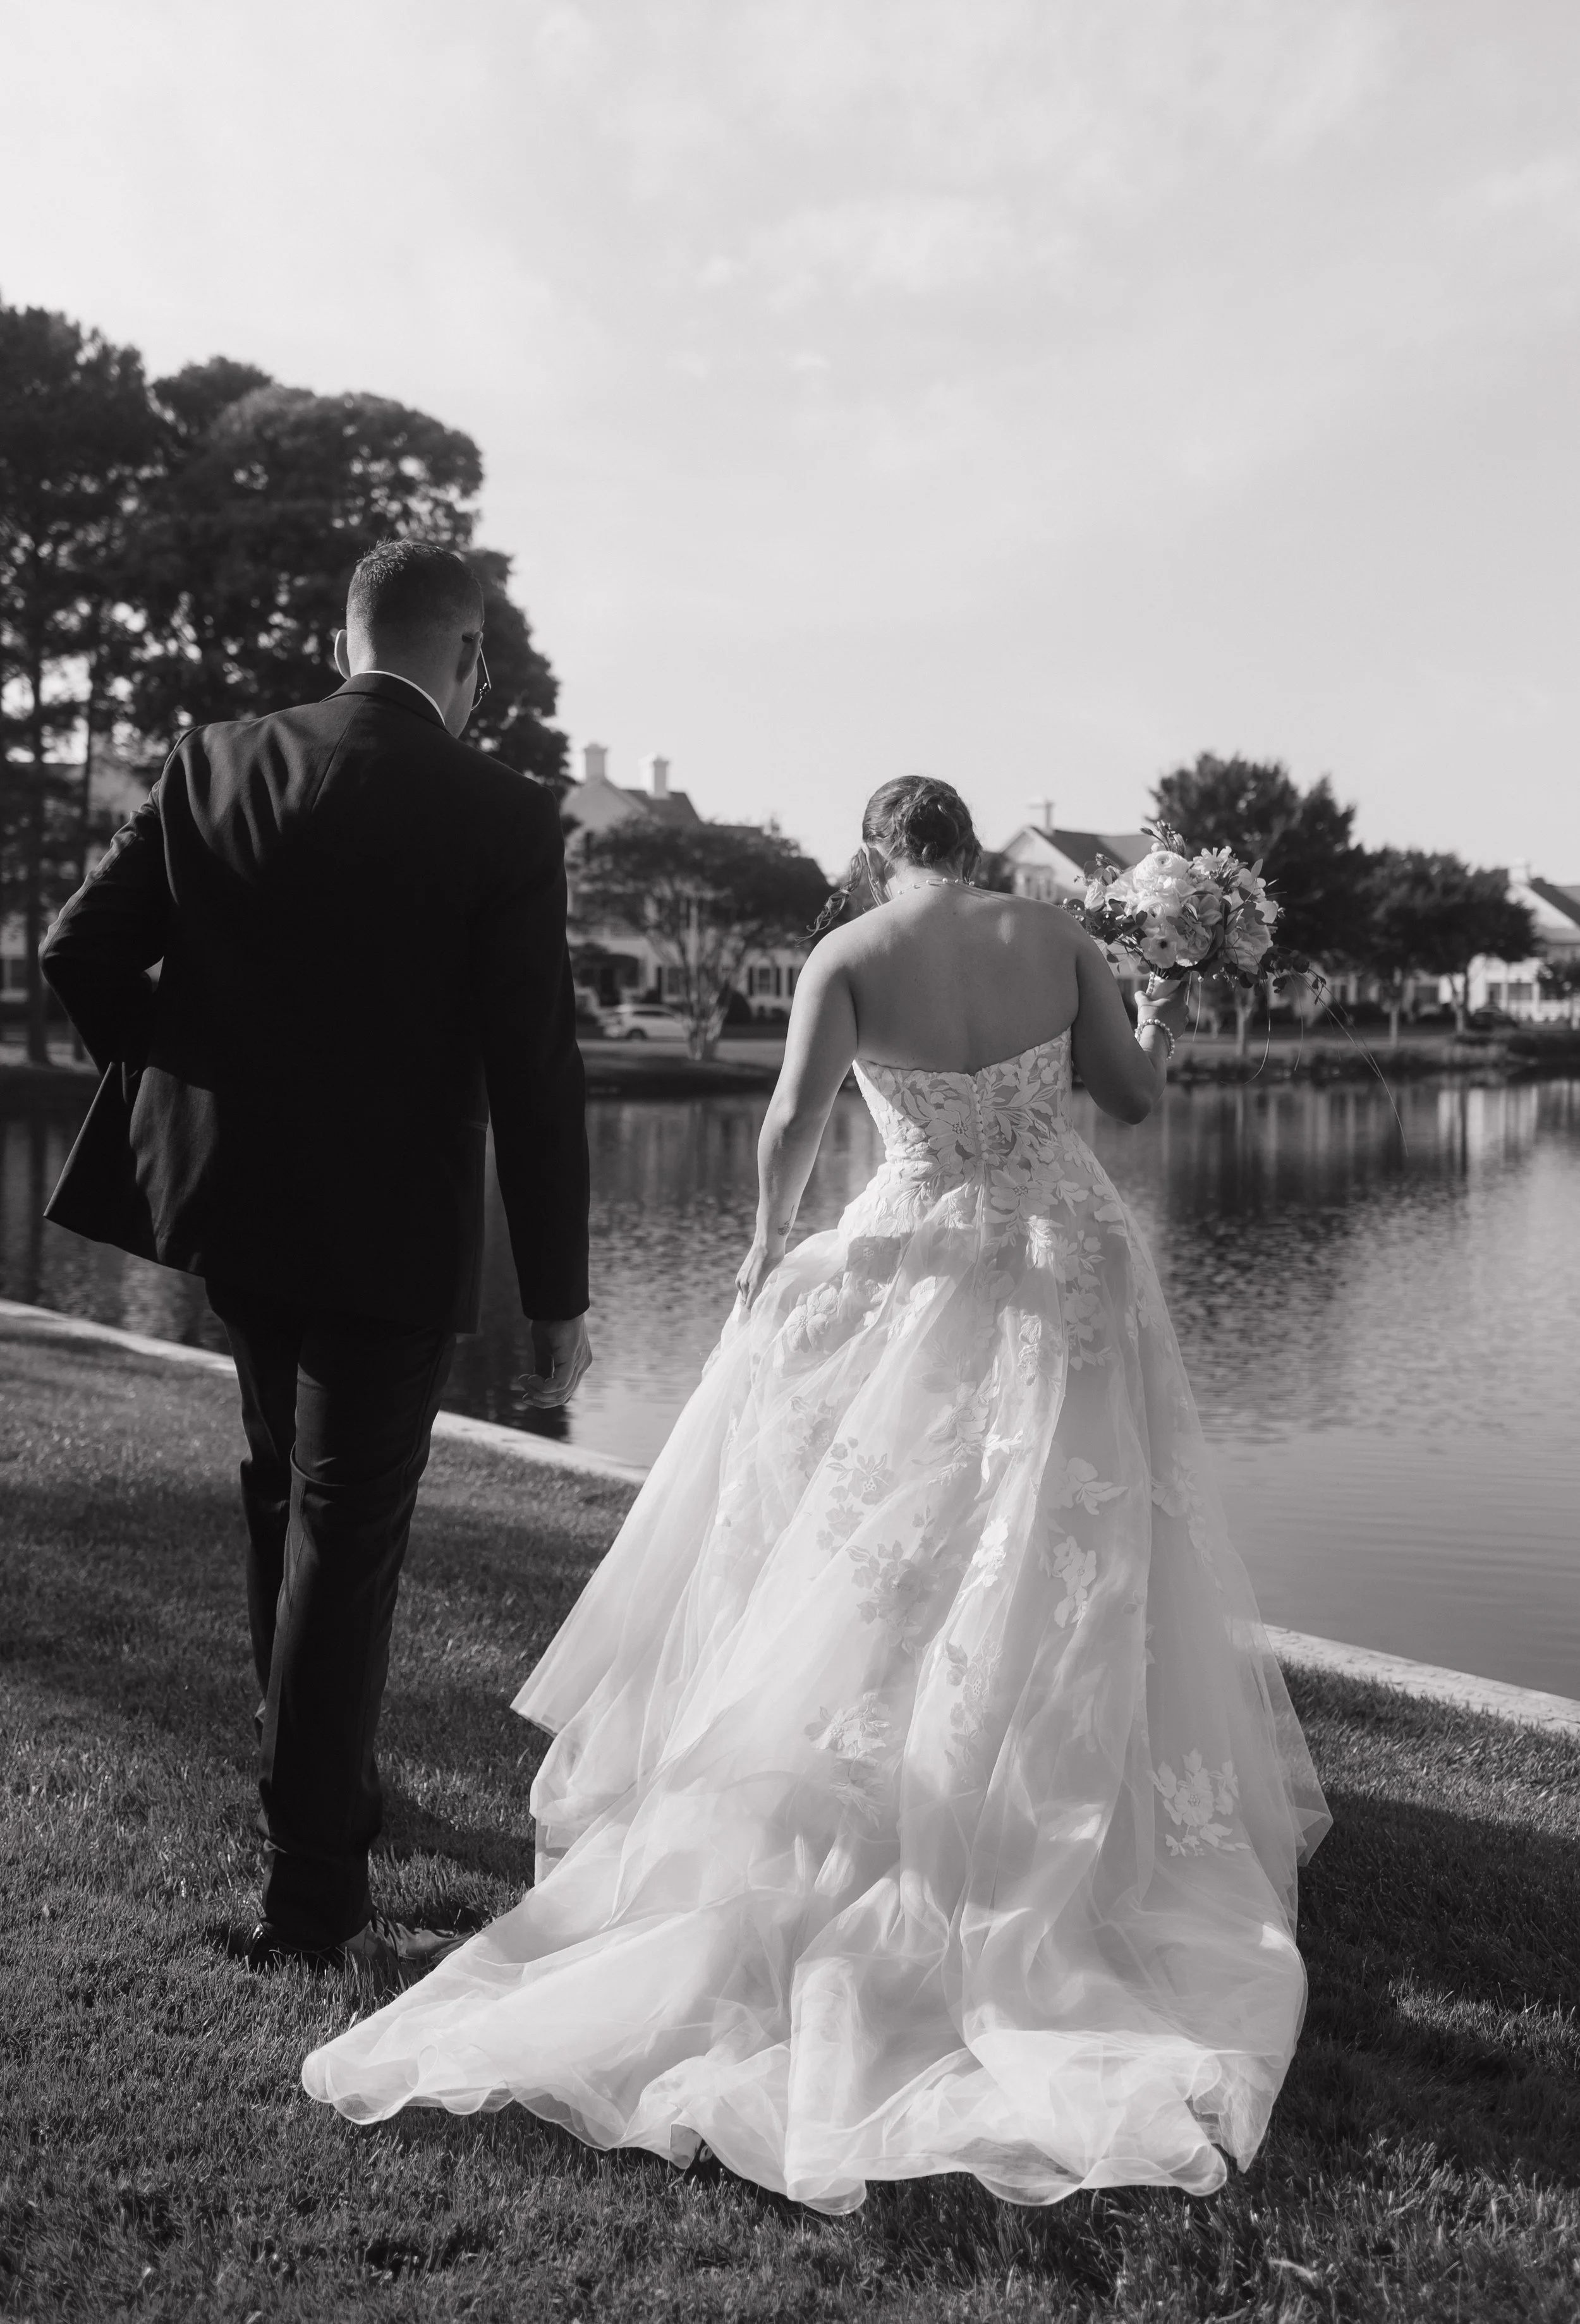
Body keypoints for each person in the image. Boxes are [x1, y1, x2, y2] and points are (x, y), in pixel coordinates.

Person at [302, 774, 1329, 2211]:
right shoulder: (1057, 938)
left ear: (872, 852)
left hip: (920, 1261)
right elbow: (1136, 1101)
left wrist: (762, 1250)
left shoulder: (843, 956)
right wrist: (1161, 1008)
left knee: (896, 1552)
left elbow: (791, 1123)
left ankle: (898, 1806)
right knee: (1065, 1542)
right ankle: (1056, 1810)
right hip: (1072, 1263)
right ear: (970, 846)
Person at [39, 540, 592, 1977]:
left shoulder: (217, 758)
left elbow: (79, 953)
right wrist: (556, 1301)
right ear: (468, 662)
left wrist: (190, 1097)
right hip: (391, 1230)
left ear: (344, 636)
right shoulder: (503, 816)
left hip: (239, 1213)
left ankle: (318, 1793)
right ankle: (311, 1898)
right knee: (342, 1541)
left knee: (279, 1495)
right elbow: (535, 1077)